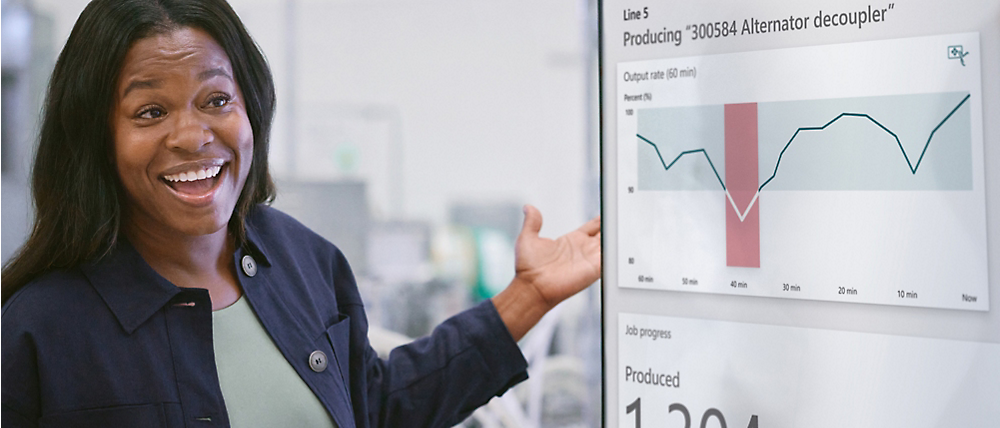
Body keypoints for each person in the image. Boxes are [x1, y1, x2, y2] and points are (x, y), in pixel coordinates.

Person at [0, 0, 601, 427]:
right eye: (150, 112)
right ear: (96, 135)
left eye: (216, 100)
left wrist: (527, 297)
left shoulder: (303, 261)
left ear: (251, 110)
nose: (192, 135)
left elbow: (377, 408)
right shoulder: (40, 329)